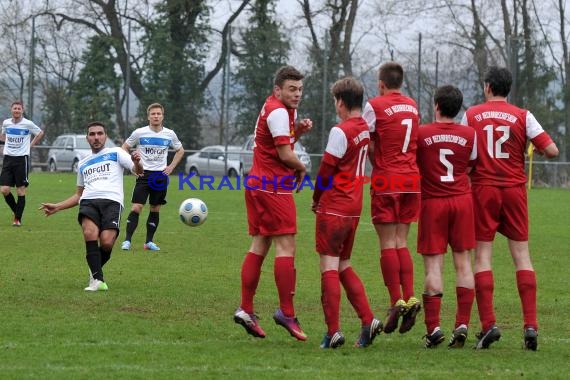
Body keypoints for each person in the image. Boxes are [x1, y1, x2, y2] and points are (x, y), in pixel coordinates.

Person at [461, 66, 559, 350]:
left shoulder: (472, 114)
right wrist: (536, 147)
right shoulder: (523, 115)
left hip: (483, 190)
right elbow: (552, 150)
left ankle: (489, 324)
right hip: (515, 191)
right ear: (508, 89)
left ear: (488, 87)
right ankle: (530, 326)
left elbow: (466, 153)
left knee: (482, 257)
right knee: (522, 257)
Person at [233, 65, 312, 341]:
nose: (297, 94)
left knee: (260, 243)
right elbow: (284, 153)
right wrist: (302, 167)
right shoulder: (278, 111)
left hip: (259, 183)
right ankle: (286, 312)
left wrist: (298, 132)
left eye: (300, 89)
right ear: (277, 89)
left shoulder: (279, 109)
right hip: (272, 187)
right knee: (286, 244)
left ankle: (245, 308)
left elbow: (282, 143)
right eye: (292, 89)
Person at [312, 77, 382, 349]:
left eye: (335, 102)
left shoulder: (341, 131)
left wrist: (317, 198)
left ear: (341, 102)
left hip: (335, 206)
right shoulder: (364, 128)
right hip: (354, 207)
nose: (336, 107)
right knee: (343, 265)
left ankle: (333, 332)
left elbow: (326, 172)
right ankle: (367, 320)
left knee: (328, 268)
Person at [40, 122, 143, 291]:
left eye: (99, 133)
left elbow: (138, 171)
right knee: (90, 233)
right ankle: (97, 280)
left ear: (105, 136)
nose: (96, 137)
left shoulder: (116, 152)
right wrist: (57, 206)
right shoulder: (83, 163)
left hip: (112, 202)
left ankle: (94, 268)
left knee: (107, 242)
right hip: (89, 201)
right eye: (92, 134)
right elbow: (79, 195)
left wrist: (137, 162)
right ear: (87, 138)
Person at [362, 61, 421, 334]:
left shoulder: (374, 105)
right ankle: (410, 298)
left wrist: (379, 165)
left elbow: (368, 142)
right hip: (411, 179)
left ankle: (395, 300)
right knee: (401, 242)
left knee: (387, 243)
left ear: (381, 84)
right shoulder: (413, 105)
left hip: (388, 179)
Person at [416, 85, 477, 348]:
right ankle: (462, 322)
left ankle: (434, 329)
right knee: (463, 263)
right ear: (458, 108)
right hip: (462, 201)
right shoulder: (469, 134)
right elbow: (471, 164)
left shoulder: (422, 133)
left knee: (433, 266)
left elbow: (415, 163)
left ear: (437, 105)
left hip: (433, 203)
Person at [120, 103, 184, 251]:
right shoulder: (139, 133)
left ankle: (149, 242)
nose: (156, 116)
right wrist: (132, 164)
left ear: (162, 116)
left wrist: (171, 167)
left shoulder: (170, 134)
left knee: (155, 209)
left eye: (158, 114)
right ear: (148, 116)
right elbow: (124, 147)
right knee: (137, 207)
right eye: (153, 114)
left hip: (160, 176)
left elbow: (180, 150)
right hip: (143, 174)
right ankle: (127, 240)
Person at [0, 100, 44, 226]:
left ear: (22, 111)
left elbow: (40, 133)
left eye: (19, 109)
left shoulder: (27, 124)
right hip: (8, 159)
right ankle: (17, 212)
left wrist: (30, 145)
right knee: (4, 189)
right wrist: (3, 146)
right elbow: (3, 136)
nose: (17, 110)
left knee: (20, 190)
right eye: (15, 108)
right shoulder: (6, 123)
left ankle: (17, 219)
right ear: (11, 110)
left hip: (21, 160)